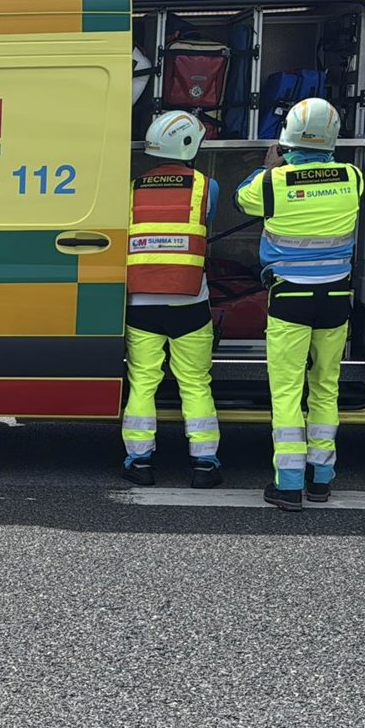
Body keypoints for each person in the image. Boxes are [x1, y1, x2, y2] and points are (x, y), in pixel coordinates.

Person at [235, 98, 363, 511]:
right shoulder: (353, 177)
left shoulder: (273, 183)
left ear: (286, 139)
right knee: (325, 388)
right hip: (337, 298)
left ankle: (288, 485)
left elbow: (242, 200)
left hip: (290, 297)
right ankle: (321, 479)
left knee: (288, 391)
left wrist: (270, 167)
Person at [120, 111, 222, 488]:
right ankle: (205, 464)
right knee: (195, 384)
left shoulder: (131, 189)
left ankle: (139, 462)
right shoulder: (205, 188)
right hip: (189, 303)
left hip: (141, 305)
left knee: (143, 383)